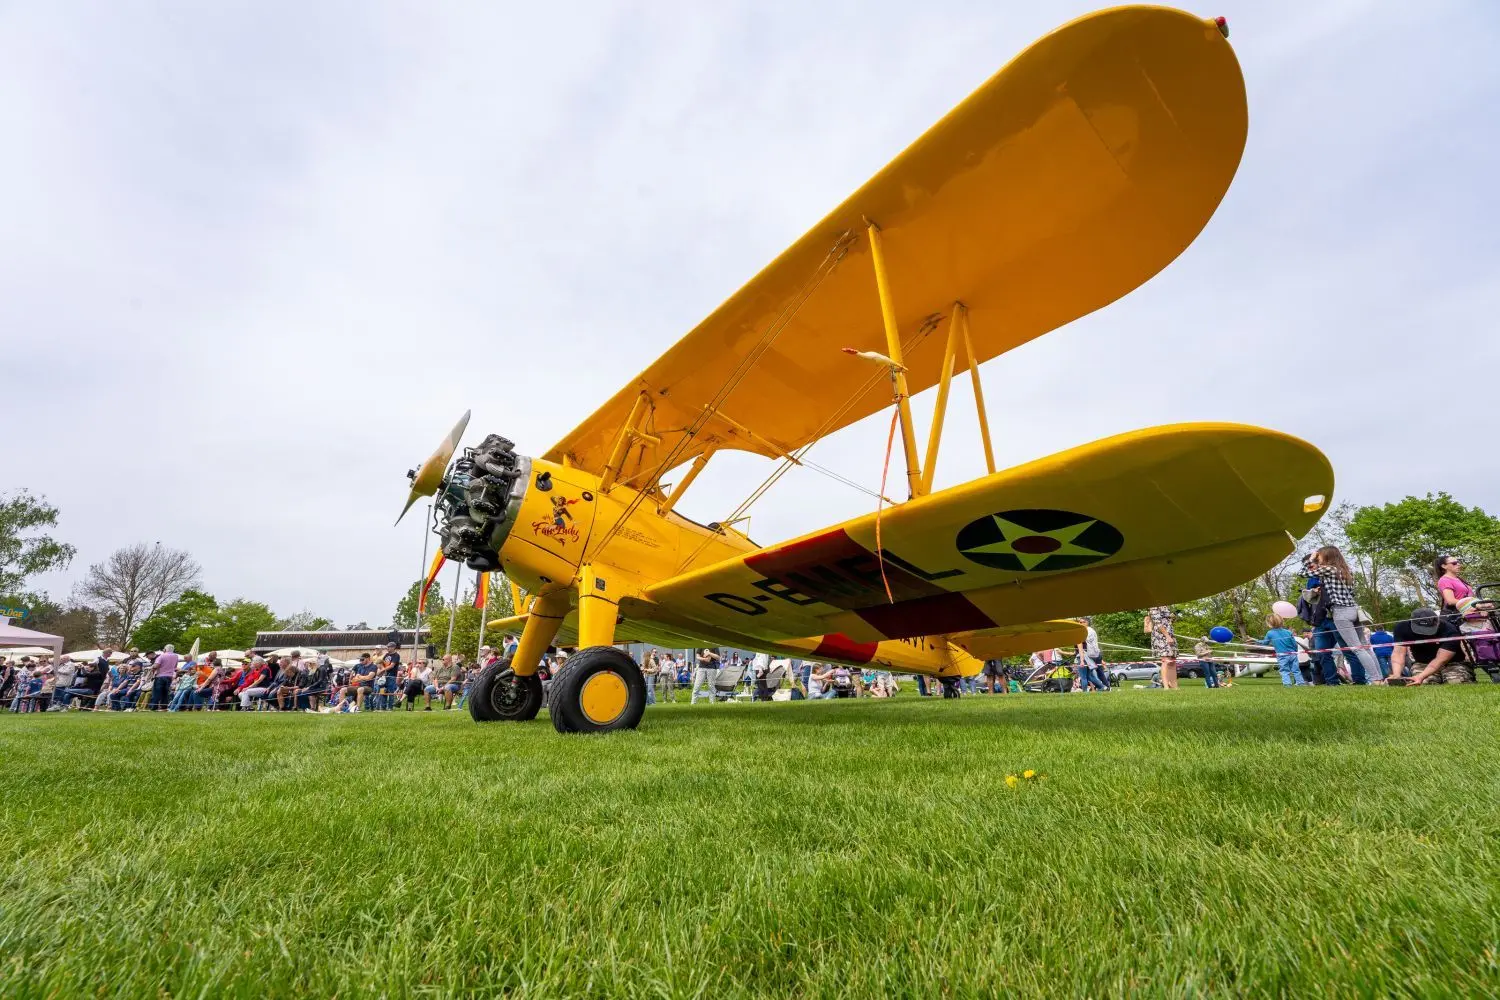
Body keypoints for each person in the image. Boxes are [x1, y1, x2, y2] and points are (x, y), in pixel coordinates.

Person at [1312, 547, 1382, 685]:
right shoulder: (1347, 571)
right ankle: (1380, 677)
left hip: (1341, 612)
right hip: (1354, 610)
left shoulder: (1329, 570)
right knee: (1365, 646)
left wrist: (1311, 559)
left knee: (1356, 648)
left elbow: (1304, 573)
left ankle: (1376, 679)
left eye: (1319, 556)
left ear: (1326, 556)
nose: (1318, 559)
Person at [1390, 607, 1471, 685]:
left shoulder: (1450, 630)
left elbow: (1441, 659)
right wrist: (1396, 675)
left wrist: (1421, 677)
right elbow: (1399, 653)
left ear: (1438, 621)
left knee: (1455, 682)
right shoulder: (1401, 628)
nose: (1424, 633)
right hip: (1422, 663)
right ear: (1411, 622)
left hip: (1453, 663)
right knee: (1425, 684)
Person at [1255, 614, 1307, 686]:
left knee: (1284, 670)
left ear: (1270, 623)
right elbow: (1294, 644)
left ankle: (1287, 684)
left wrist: (1256, 640)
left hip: (1282, 655)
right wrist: (1295, 652)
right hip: (1292, 654)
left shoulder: (1270, 633)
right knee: (1296, 670)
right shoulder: (1288, 632)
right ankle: (1301, 683)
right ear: (1281, 621)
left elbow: (1265, 643)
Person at [1146, 607, 1178, 689]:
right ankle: (1166, 686)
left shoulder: (1166, 607)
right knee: (1166, 660)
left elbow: (1169, 622)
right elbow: (1158, 623)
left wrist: (1172, 618)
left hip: (1170, 633)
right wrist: (1167, 636)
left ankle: (1175, 687)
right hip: (1161, 636)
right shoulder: (1154, 607)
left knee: (1172, 661)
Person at [1075, 619, 1108, 692]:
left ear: (1086, 623)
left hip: (1082, 658)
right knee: (1090, 676)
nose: (1080, 623)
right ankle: (1103, 687)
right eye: (1079, 622)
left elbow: (1080, 650)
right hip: (1088, 658)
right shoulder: (1086, 636)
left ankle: (1085, 692)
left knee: (1083, 677)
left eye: (1082, 622)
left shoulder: (1079, 637)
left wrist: (1082, 661)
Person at [148, 644, 180, 711]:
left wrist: (152, 667)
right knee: (165, 692)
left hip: (160, 676)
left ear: (165, 649)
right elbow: (175, 666)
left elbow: (156, 666)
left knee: (157, 692)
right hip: (169, 676)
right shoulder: (176, 656)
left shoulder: (161, 656)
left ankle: (154, 707)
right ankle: (164, 707)